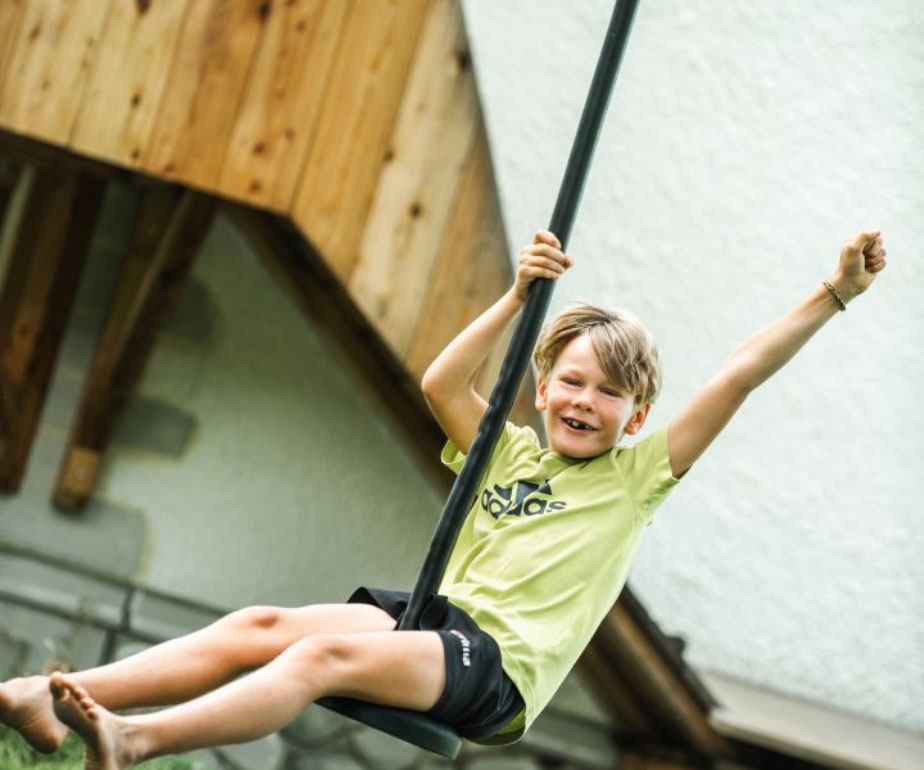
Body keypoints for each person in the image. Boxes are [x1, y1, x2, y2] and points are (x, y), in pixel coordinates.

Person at [0, 229, 887, 769]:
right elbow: (440, 382)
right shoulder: (506, 454)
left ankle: (134, 738)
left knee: (313, 667)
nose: (586, 402)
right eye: (572, 382)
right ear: (542, 390)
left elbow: (737, 376)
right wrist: (516, 296)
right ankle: (56, 694)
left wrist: (833, 294)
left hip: (496, 672)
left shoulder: (633, 481)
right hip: (437, 624)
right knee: (265, 627)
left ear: (638, 415)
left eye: (609, 393)